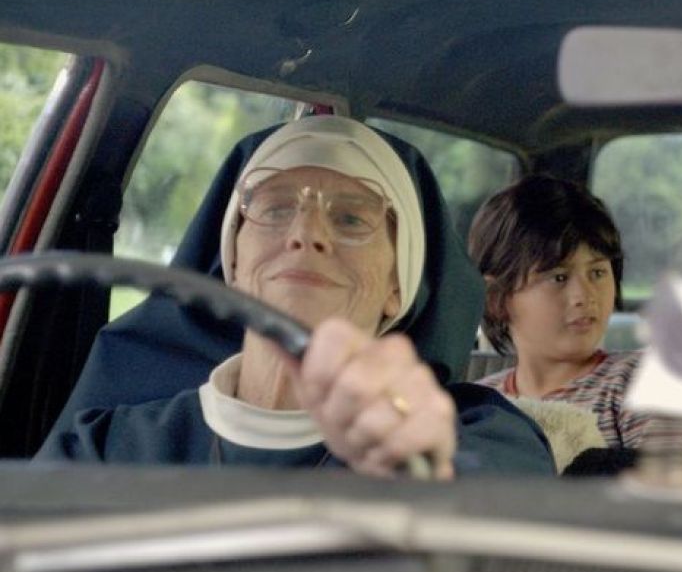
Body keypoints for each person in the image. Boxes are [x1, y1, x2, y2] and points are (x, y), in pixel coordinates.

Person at [38, 115, 553, 478]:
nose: (306, 234)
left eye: (350, 217)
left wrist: (429, 470)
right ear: (233, 261)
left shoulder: (480, 436)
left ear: (399, 287)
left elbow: (508, 532)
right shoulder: (111, 446)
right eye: (277, 209)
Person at [468, 174, 682, 451]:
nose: (584, 296)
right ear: (496, 298)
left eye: (598, 272)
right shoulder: (477, 403)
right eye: (558, 277)